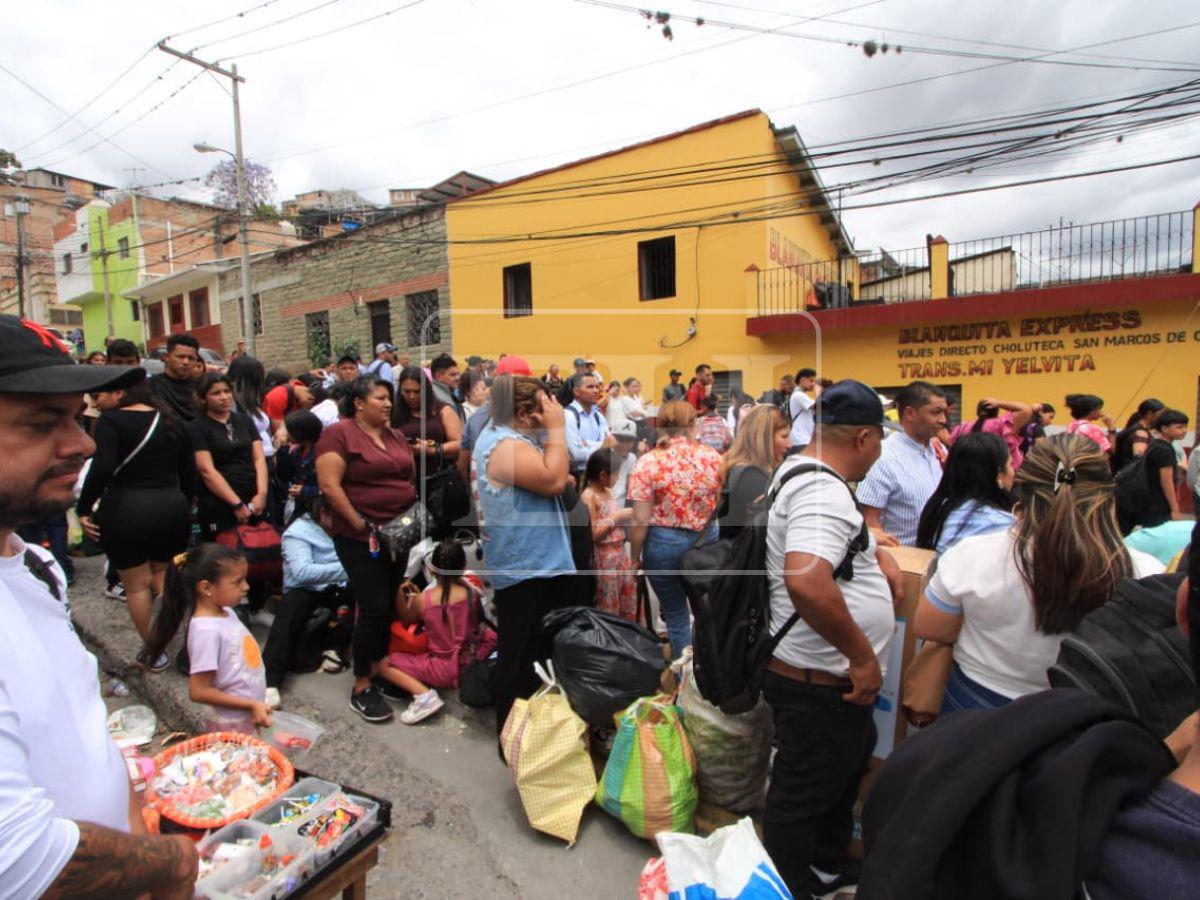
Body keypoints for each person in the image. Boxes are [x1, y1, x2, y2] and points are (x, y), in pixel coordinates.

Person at [0, 315, 199, 898]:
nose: (82, 441)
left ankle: (158, 651)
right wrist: (169, 862)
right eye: (43, 423)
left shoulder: (34, 568)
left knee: (154, 581)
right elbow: (18, 859)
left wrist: (131, 808)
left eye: (76, 415)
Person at [762, 379, 902, 899]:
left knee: (841, 770)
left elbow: (828, 556)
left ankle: (825, 863)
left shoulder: (808, 475)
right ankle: (788, 885)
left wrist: (873, 554)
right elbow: (806, 578)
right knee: (801, 793)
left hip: (822, 675)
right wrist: (862, 657)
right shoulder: (821, 489)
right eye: (881, 438)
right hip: (818, 679)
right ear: (864, 438)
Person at [914, 434, 1163, 712]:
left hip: (979, 707)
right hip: (1092, 719)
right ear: (1107, 494)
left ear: (1022, 489)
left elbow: (929, 627)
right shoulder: (1147, 574)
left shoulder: (970, 555)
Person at [472, 374, 575, 732]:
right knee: (523, 663)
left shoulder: (512, 439)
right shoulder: (502, 445)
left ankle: (531, 738)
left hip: (536, 566)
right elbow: (554, 480)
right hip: (527, 570)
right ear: (523, 412)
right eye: (542, 408)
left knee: (533, 658)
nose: (548, 415)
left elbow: (556, 472)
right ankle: (516, 741)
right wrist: (558, 429)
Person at [315, 375, 418, 724]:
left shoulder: (395, 435)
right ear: (359, 403)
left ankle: (380, 668)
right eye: (379, 398)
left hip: (399, 531)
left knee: (388, 601)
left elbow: (407, 477)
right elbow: (329, 485)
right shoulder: (339, 433)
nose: (388, 404)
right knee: (371, 606)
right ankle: (362, 685)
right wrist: (358, 522)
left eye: (389, 398)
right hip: (362, 536)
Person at [77, 378, 195, 673]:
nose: (95, 402)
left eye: (98, 394)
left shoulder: (111, 422)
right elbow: (189, 470)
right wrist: (186, 502)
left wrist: (83, 508)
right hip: (172, 505)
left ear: (119, 393)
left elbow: (101, 468)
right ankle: (186, 640)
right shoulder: (171, 420)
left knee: (136, 585)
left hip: (126, 508)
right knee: (165, 575)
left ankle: (155, 653)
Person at [629, 400, 722, 658]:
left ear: (660, 426)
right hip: (705, 539)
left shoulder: (648, 462)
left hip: (663, 542)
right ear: (692, 424)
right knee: (705, 610)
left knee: (676, 614)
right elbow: (722, 501)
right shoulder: (713, 458)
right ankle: (710, 671)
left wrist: (634, 557)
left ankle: (685, 679)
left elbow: (639, 519)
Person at [145, 544, 272, 733]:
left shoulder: (227, 611)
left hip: (247, 714)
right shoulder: (206, 631)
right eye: (238, 582)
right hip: (231, 724)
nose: (246, 587)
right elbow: (199, 691)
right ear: (206, 588)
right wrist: (249, 704)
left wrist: (253, 705)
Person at [379, 538, 497, 725]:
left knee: (384, 664)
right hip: (471, 656)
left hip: (443, 667)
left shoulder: (424, 599)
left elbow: (407, 618)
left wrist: (401, 594)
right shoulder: (471, 594)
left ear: (432, 569)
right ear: (463, 566)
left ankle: (424, 695)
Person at [263, 495, 352, 704]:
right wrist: (350, 569)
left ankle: (335, 648)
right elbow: (303, 572)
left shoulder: (346, 528)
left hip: (338, 587)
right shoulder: (299, 533)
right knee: (291, 611)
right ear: (323, 513)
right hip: (305, 589)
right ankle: (269, 681)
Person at [858, 381, 948, 547]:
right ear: (910, 413)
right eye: (936, 412)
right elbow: (869, 520)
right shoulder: (883, 457)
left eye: (944, 412)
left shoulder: (938, 450)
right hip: (904, 564)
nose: (943, 420)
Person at [189, 373, 269, 540]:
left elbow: (259, 458)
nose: (224, 397)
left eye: (227, 391)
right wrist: (236, 504)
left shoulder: (244, 420)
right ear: (203, 398)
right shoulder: (197, 427)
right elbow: (206, 470)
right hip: (220, 499)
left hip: (253, 494)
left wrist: (262, 493)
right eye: (216, 393)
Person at [915, 432, 1015, 555]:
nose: (1013, 472)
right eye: (1010, 464)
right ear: (998, 473)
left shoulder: (938, 509)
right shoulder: (1001, 524)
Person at [718, 404, 790, 543]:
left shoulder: (739, 467)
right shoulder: (752, 478)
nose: (790, 444)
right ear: (763, 438)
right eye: (784, 436)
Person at [582, 449, 637, 621]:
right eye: (615, 474)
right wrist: (616, 517)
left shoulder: (609, 493)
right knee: (609, 599)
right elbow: (592, 535)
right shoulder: (589, 496)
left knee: (626, 595)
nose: (618, 478)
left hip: (620, 553)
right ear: (603, 475)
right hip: (605, 558)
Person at [1127, 409, 1191, 532]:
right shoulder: (1164, 450)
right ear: (1164, 429)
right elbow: (1166, 482)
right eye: (1179, 427)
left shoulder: (1156, 444)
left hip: (1150, 500)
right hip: (1158, 504)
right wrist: (1175, 509)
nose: (1184, 431)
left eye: (1185, 427)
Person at [392, 365, 462, 469]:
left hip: (440, 476)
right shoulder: (392, 413)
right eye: (407, 391)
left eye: (417, 392)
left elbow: (460, 443)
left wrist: (434, 450)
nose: (412, 397)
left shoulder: (443, 410)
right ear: (400, 391)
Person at [948, 397, 1034, 470]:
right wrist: (999, 403)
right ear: (996, 412)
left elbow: (952, 450)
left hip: (971, 475)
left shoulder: (960, 428)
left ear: (977, 412)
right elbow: (1027, 409)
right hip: (1004, 475)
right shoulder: (1002, 424)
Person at [276, 410, 322, 521]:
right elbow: (284, 475)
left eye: (289, 431)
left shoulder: (322, 453)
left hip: (319, 507)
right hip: (301, 505)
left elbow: (329, 488)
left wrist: (306, 491)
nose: (286, 434)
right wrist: (283, 449)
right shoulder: (296, 452)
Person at [564, 372, 611, 476]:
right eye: (590, 387)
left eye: (597, 387)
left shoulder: (598, 416)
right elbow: (576, 455)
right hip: (578, 477)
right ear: (576, 391)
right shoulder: (569, 415)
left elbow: (610, 446)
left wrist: (588, 444)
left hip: (600, 475)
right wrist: (602, 446)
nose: (596, 391)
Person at [149, 333, 201, 422]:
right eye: (180, 357)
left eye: (191, 358)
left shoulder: (201, 387)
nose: (186, 362)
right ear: (166, 357)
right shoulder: (151, 386)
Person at [1113, 398, 1166, 472]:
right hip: (1131, 476)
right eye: (1160, 414)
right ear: (1150, 414)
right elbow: (1139, 459)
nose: (1162, 418)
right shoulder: (1141, 433)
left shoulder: (1135, 428)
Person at [788, 367, 821, 450]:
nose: (813, 384)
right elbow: (817, 406)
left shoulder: (802, 395)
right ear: (802, 380)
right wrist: (818, 393)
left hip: (803, 438)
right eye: (811, 381)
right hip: (801, 439)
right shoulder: (798, 395)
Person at [610, 419, 639, 506]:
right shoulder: (604, 455)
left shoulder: (632, 458)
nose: (625, 444)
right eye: (621, 439)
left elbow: (631, 488)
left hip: (621, 506)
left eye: (629, 440)